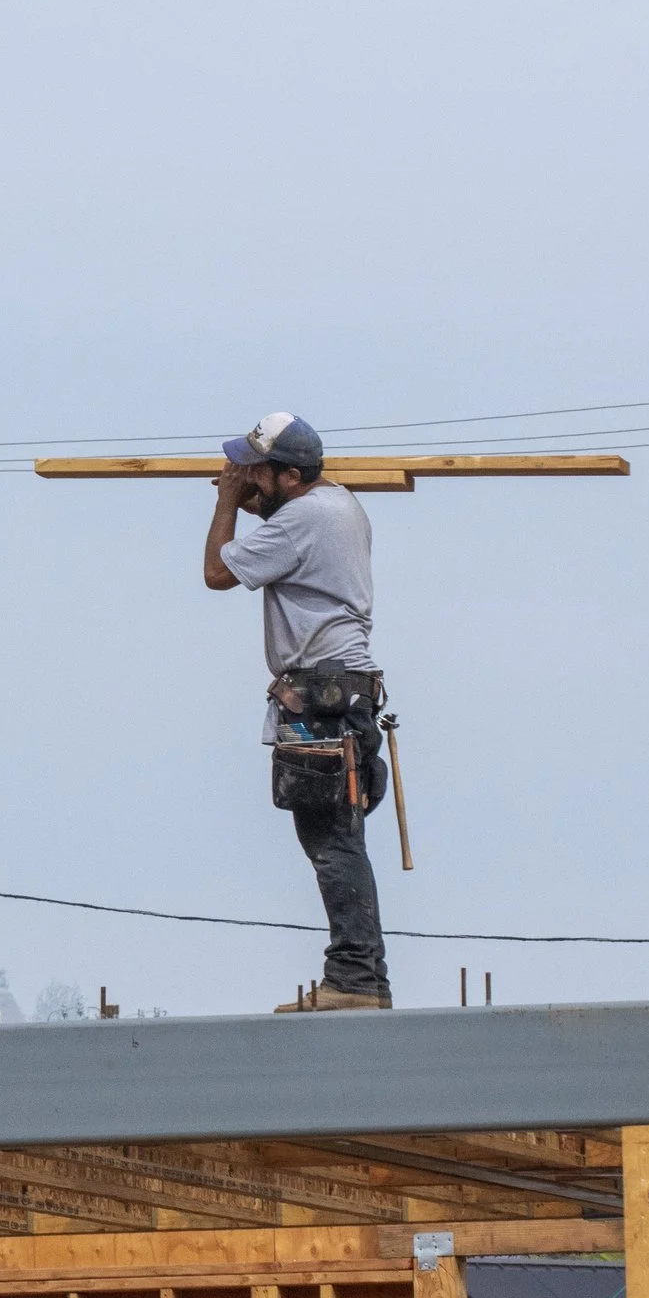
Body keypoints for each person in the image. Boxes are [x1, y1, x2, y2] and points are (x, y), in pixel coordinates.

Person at [202, 412, 392, 1012]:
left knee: (329, 837)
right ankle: (360, 976)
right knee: (339, 834)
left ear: (286, 477)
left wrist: (228, 503)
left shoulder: (302, 520)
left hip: (322, 696)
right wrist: (255, 497)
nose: (241, 476)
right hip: (346, 692)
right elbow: (278, 525)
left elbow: (216, 573)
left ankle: (356, 980)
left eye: (253, 470)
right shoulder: (335, 504)